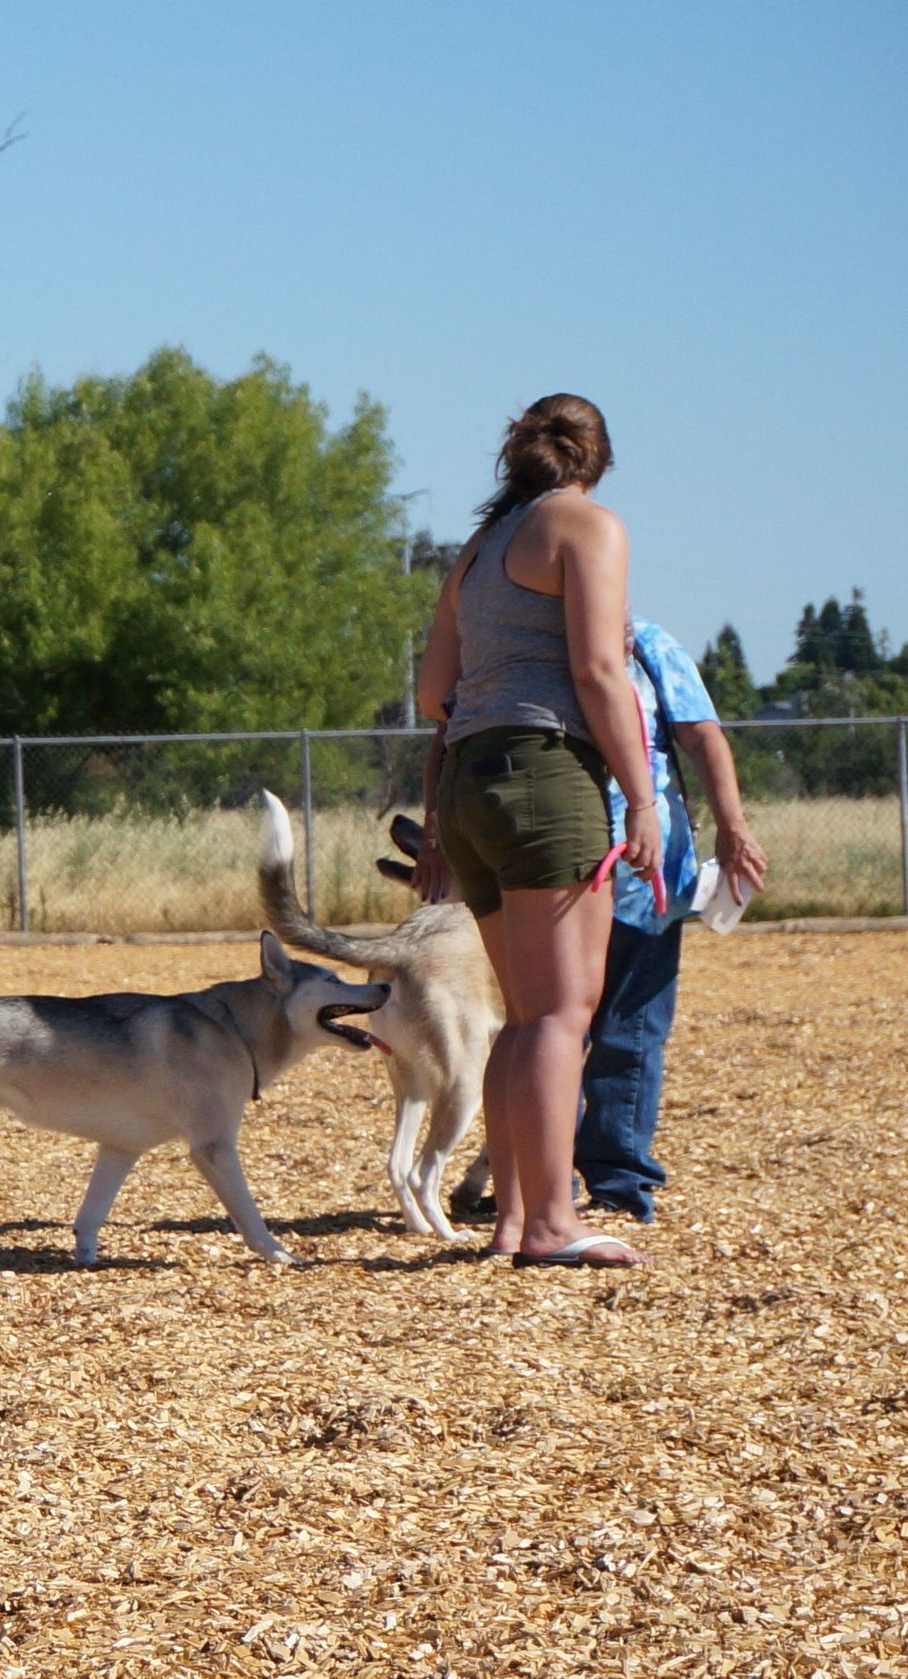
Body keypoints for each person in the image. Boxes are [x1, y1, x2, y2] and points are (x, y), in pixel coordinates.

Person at [408, 394, 661, 1269]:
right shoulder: (586, 526)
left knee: (524, 1018)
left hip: (471, 785)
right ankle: (552, 1225)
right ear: (596, 461)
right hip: (547, 775)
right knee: (562, 1014)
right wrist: (642, 798)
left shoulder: (476, 551)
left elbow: (431, 695)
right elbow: (596, 671)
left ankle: (515, 1220)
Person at [574, 618, 768, 1220]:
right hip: (562, 860)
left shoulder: (652, 646)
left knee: (627, 1030)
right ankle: (543, 1178)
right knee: (549, 1028)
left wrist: (733, 824)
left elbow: (704, 736)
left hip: (646, 874)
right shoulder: (543, 643)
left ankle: (615, 1179)